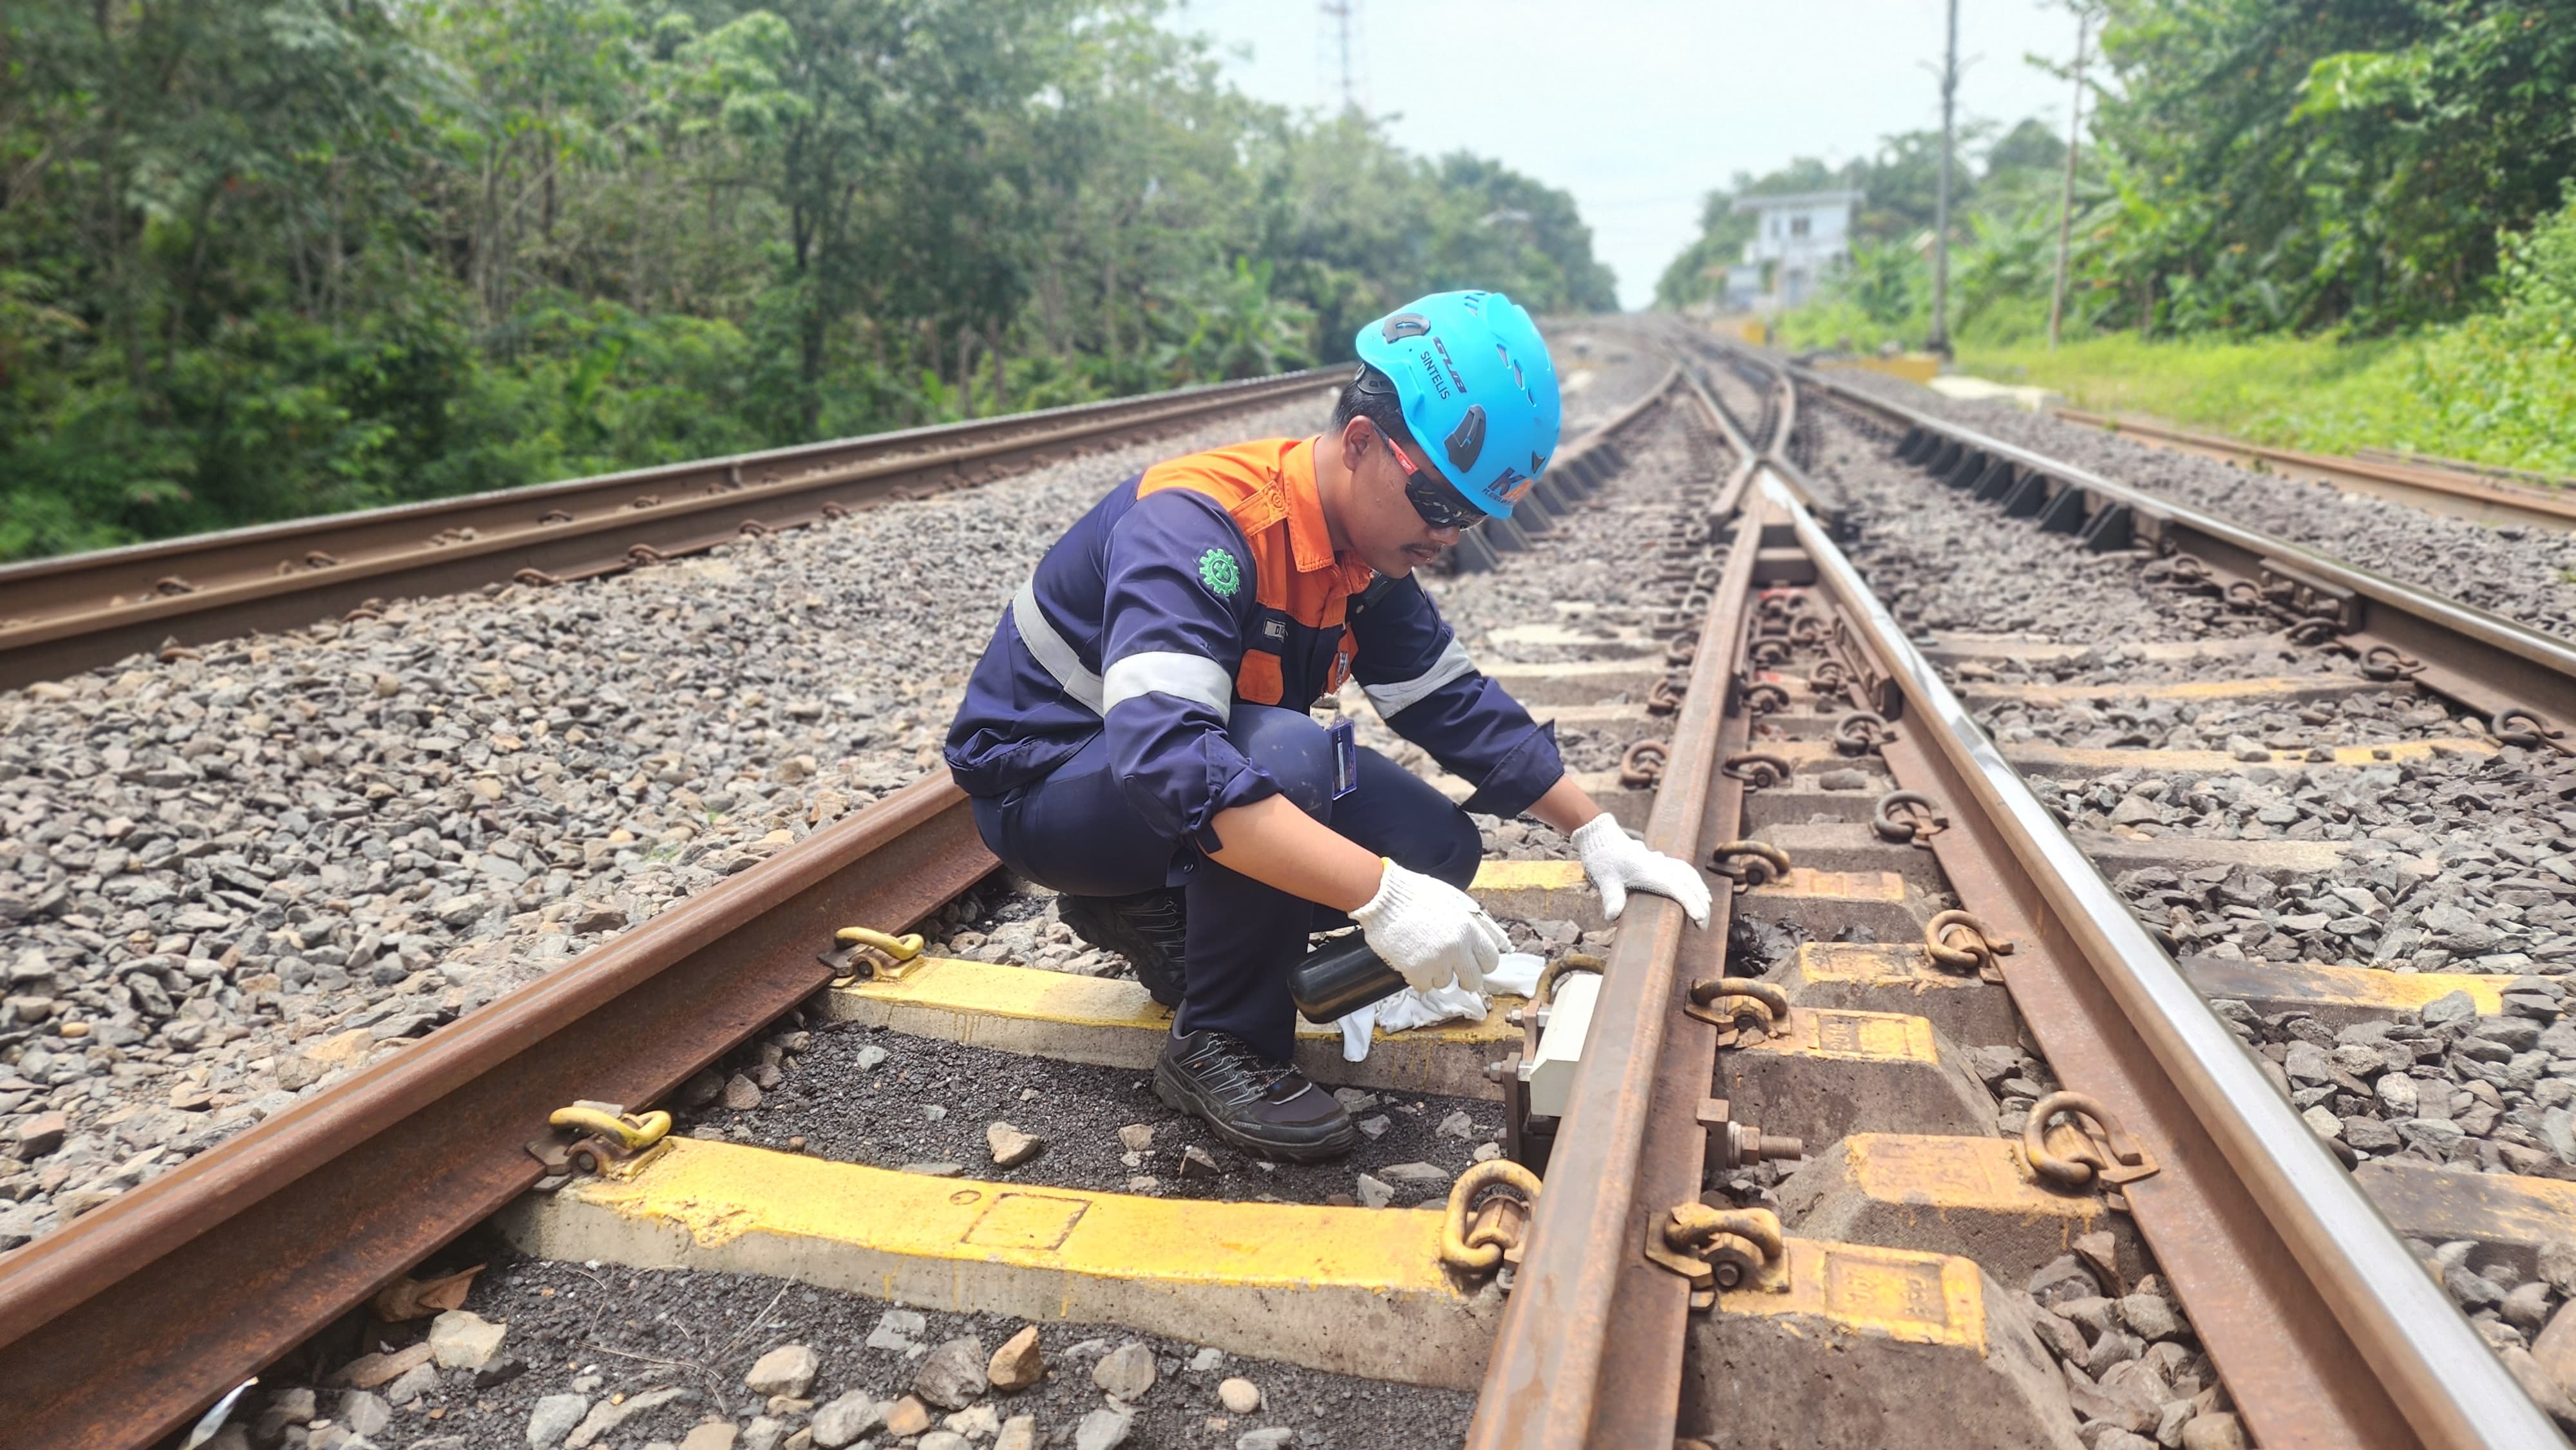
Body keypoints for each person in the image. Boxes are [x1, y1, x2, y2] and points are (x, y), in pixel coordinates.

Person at [944, 291, 1710, 1161]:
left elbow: (1447, 700)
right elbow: (1166, 758)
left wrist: (1598, 832)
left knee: (1438, 848)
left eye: (1471, 518)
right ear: (1359, 446)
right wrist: (1376, 899)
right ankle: (1223, 1041)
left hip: (1174, 777)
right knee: (1288, 760)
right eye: (1440, 505)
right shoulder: (1200, 525)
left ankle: (1163, 920)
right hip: (1050, 789)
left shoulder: (1363, 555)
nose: (1448, 537)